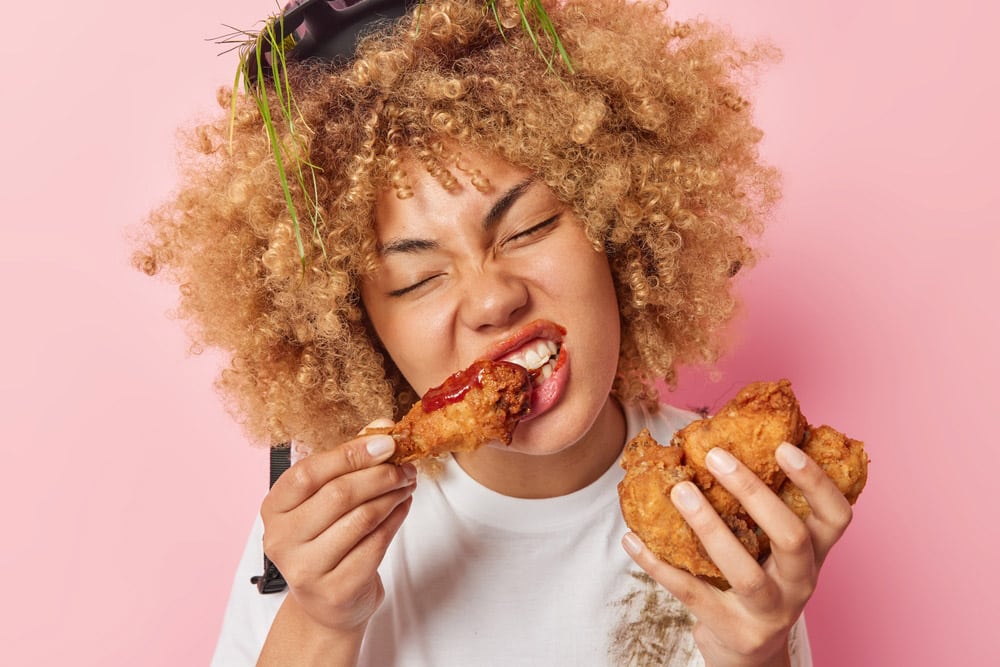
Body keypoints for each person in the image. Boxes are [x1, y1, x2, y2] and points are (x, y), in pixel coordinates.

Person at [135, 0, 855, 664]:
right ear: (354, 331)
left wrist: (756, 654)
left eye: (531, 225)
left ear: (618, 220)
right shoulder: (320, 541)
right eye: (417, 279)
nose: (491, 299)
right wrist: (323, 619)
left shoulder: (726, 503)